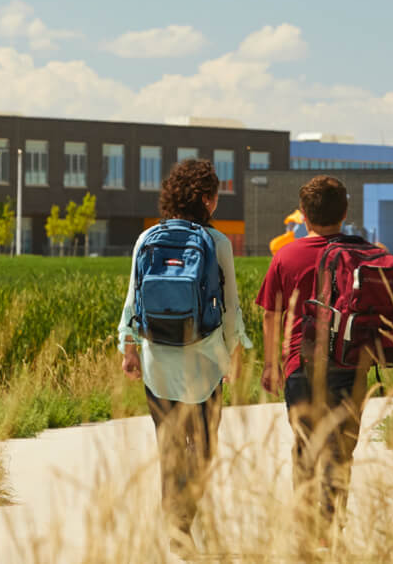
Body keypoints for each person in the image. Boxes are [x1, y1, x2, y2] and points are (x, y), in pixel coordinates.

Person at [118, 158, 250, 541]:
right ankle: (183, 519)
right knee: (203, 448)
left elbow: (131, 302)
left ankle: (173, 519)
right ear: (208, 200)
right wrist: (233, 356)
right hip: (204, 362)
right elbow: (230, 307)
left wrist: (129, 350)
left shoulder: (147, 239)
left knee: (170, 445)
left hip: (157, 358)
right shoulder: (217, 242)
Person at [256, 174, 372, 543]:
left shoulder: (286, 255)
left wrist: (270, 364)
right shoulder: (364, 253)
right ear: (345, 212)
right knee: (340, 451)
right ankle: (331, 526)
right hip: (350, 366)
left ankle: (307, 525)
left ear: (303, 214)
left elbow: (270, 313)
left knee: (306, 446)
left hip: (299, 368)